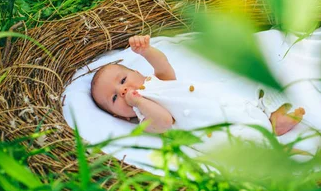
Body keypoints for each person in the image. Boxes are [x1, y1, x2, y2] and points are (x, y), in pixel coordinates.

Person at [90, 35, 305, 136]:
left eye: (123, 81)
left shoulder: (157, 82)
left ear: (138, 73)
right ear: (119, 116)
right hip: (211, 123)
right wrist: (137, 100)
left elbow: (163, 65)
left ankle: (272, 116)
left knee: (249, 94)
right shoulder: (144, 119)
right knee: (243, 130)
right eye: (115, 98)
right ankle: (271, 128)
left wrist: (146, 51)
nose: (123, 90)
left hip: (216, 97)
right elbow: (164, 120)